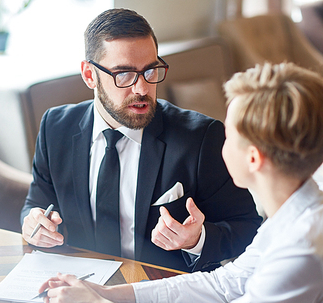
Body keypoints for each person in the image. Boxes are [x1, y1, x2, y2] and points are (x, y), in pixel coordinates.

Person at [40, 62, 323, 303]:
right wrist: (108, 295)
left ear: (253, 158)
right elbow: (226, 284)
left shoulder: (304, 249)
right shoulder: (295, 215)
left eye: (229, 133)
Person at [21, 8, 262, 272]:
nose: (142, 89)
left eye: (150, 70)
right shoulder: (55, 128)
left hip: (164, 295)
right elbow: (36, 203)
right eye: (123, 74)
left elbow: (247, 228)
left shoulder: (202, 138)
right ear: (90, 75)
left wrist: (197, 240)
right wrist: (33, 223)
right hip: (79, 289)